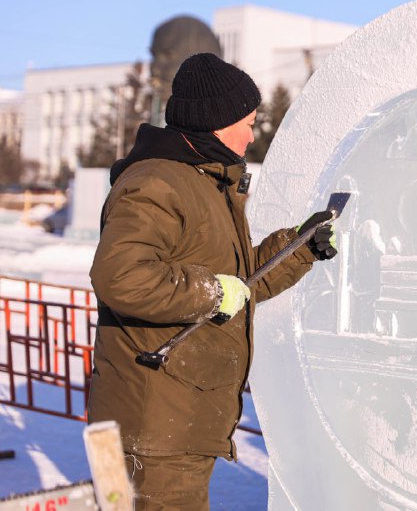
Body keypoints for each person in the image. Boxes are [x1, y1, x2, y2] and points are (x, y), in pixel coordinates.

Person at [87, 52, 337, 509]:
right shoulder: (158, 183)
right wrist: (212, 291)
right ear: (216, 123)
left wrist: (300, 247)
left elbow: (239, 285)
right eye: (248, 120)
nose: (252, 131)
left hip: (170, 423)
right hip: (151, 433)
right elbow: (120, 276)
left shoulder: (208, 184)